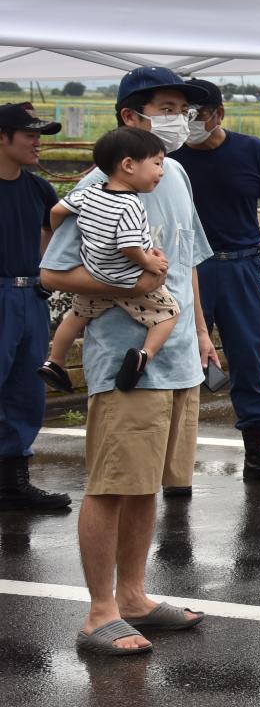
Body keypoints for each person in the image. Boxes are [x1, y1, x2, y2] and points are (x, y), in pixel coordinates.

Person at [43, 69, 215, 655]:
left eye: (183, 108)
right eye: (167, 107)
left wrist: (200, 330)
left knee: (147, 486)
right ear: (130, 118)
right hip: (126, 362)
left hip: (180, 359)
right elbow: (52, 273)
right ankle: (99, 613)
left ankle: (136, 597)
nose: (179, 119)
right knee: (112, 484)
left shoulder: (176, 172)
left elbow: (186, 258)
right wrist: (134, 289)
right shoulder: (98, 189)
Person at [173, 84, 260, 479]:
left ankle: (257, 450)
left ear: (219, 114)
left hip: (240, 266)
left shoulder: (253, 152)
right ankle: (174, 463)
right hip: (188, 267)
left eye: (199, 113)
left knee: (250, 357)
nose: (192, 122)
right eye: (184, 114)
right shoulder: (168, 157)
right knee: (180, 357)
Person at [40, 128, 180, 394]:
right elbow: (129, 246)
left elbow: (56, 211)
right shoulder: (130, 203)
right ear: (128, 165)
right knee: (168, 314)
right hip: (127, 278)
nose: (161, 171)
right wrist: (149, 263)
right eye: (157, 163)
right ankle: (143, 356)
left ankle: (55, 361)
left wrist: (60, 230)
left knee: (76, 316)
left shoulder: (89, 193)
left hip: (94, 275)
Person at [0, 102, 70, 513]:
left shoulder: (38, 188)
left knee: (25, 393)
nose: (37, 143)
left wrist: (44, 275)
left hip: (30, 295)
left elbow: (53, 232)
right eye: (29, 134)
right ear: (2, 137)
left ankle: (11, 482)